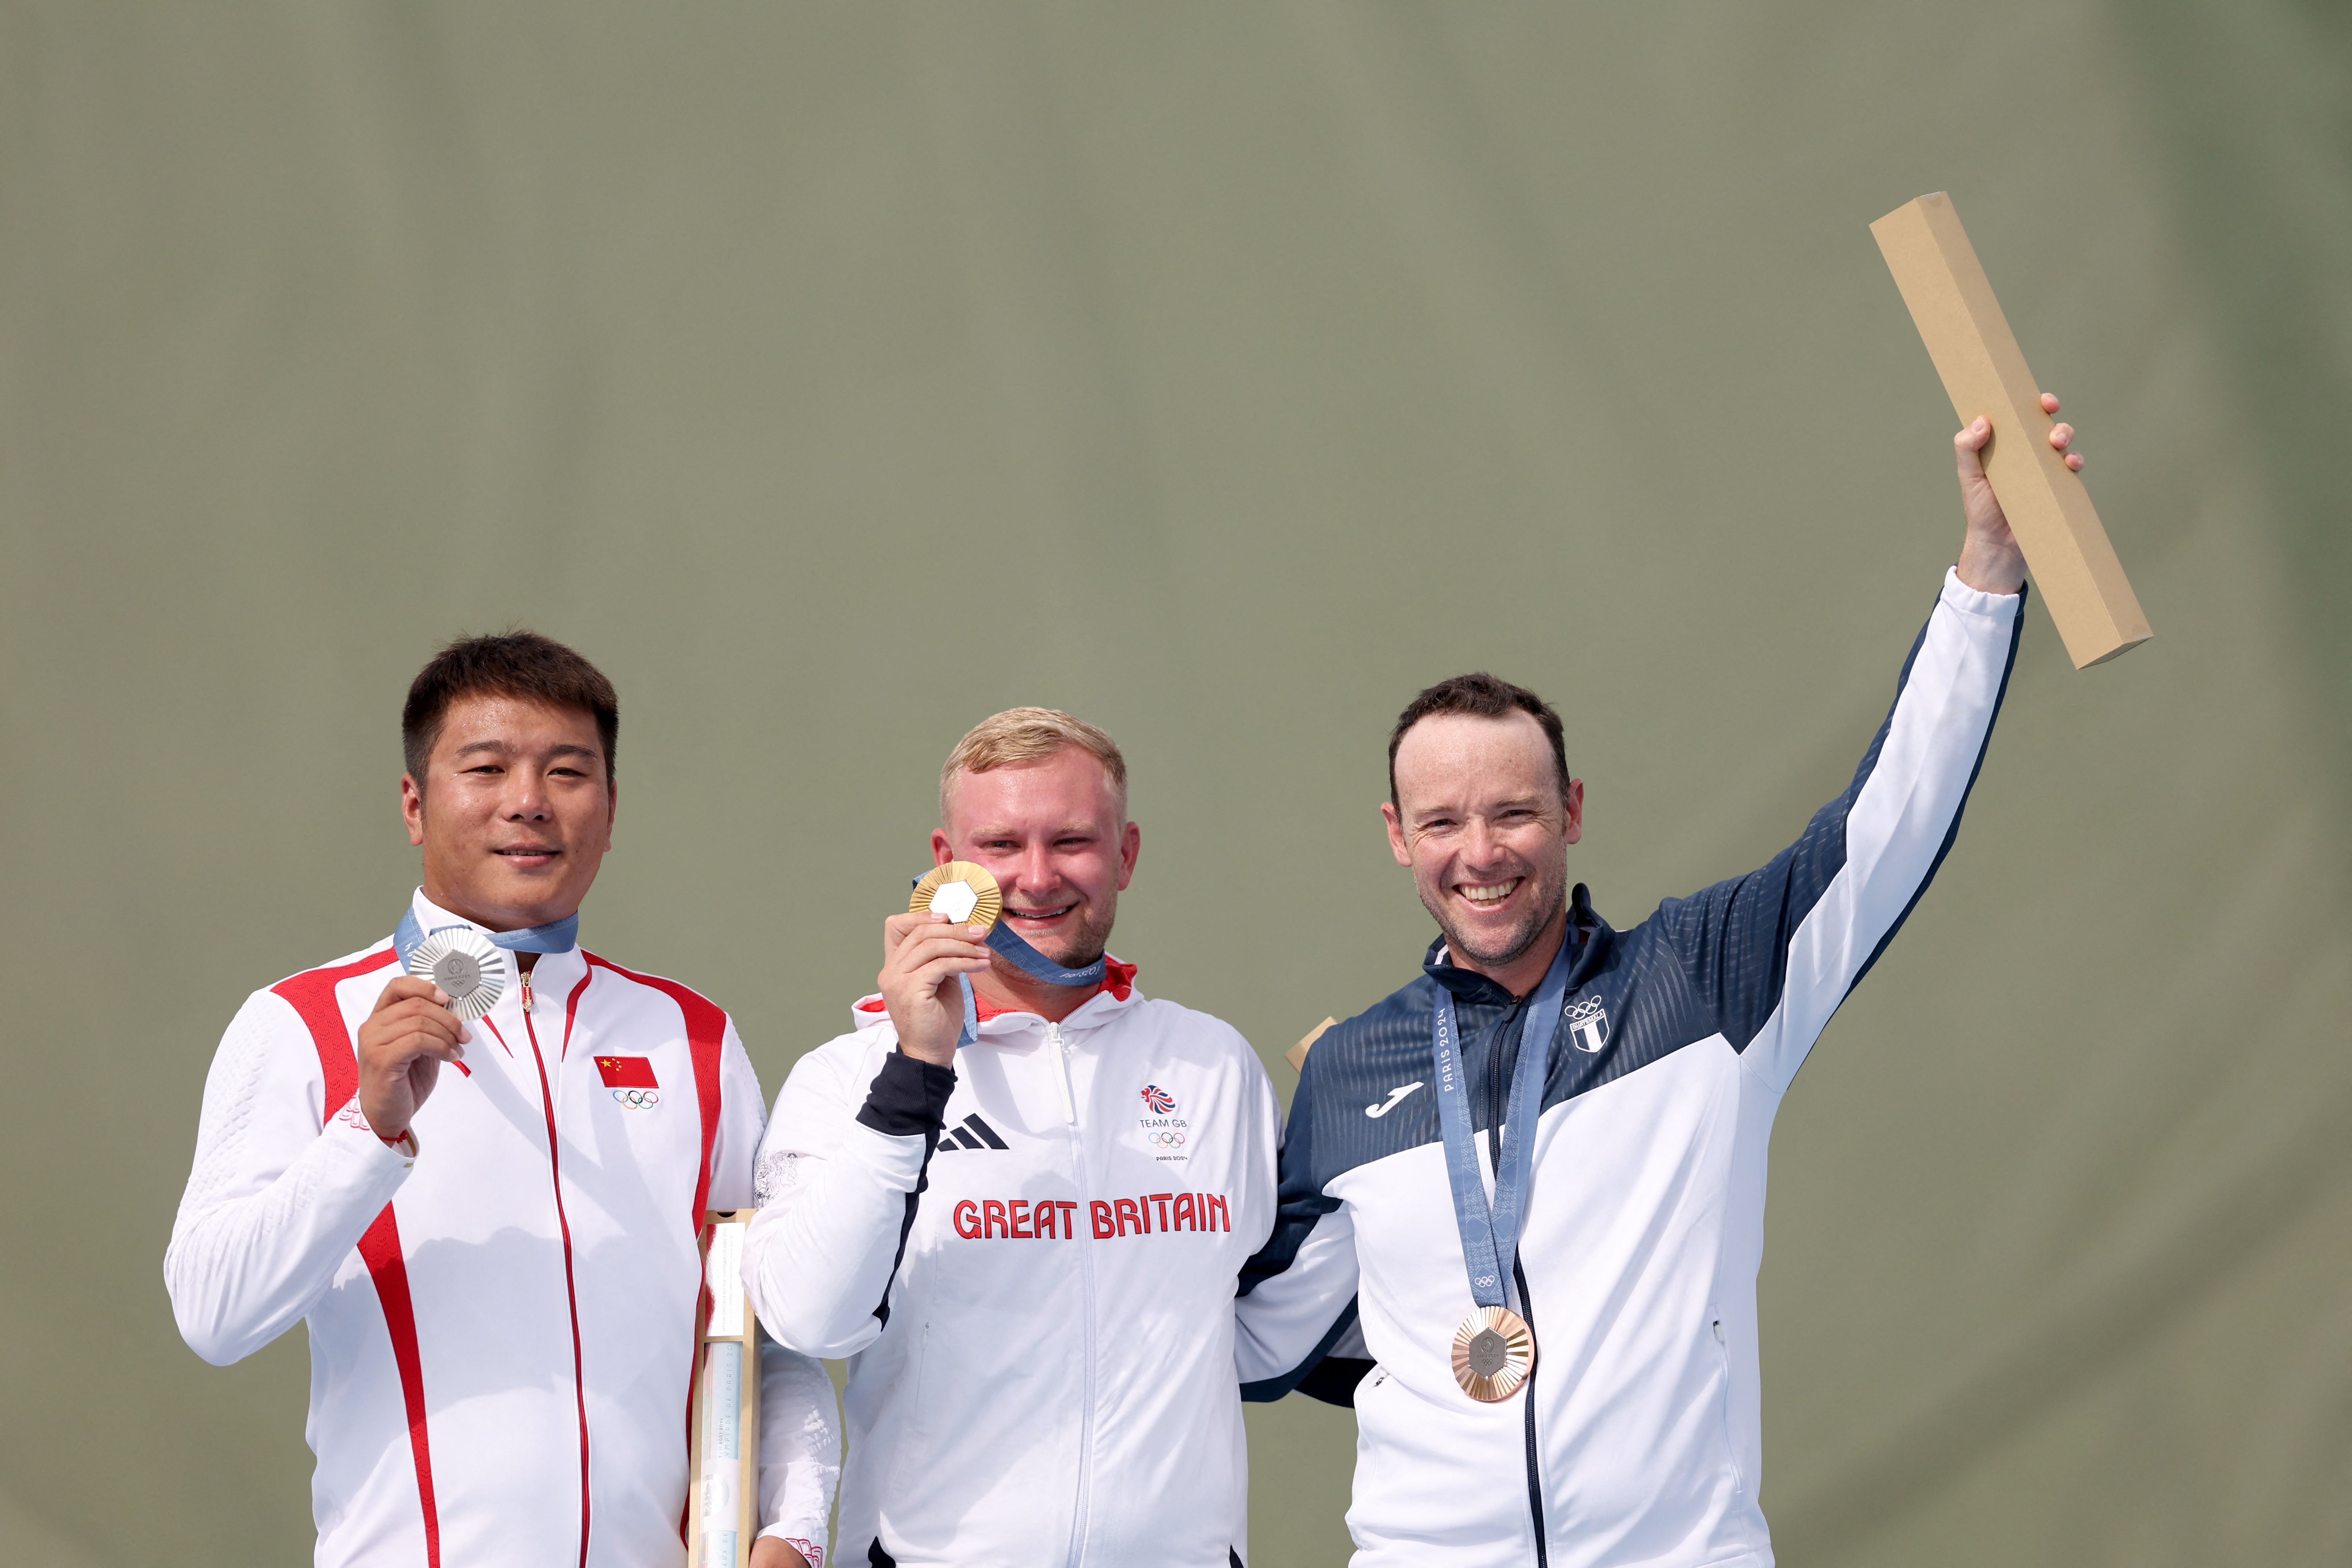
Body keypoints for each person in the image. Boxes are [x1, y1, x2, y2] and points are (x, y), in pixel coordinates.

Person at [1234, 403, 2086, 1566]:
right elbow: (1256, 1335)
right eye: (1442, 822)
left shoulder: (1702, 981)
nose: (1480, 853)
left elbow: (1889, 823)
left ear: (1572, 811)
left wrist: (1987, 575)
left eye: (1515, 812)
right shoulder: (1348, 1072)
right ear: (1397, 834)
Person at [164, 632, 838, 1568]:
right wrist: (369, 1130)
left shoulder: (693, 1037)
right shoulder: (302, 1022)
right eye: (486, 767)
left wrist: (797, 1526)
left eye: (568, 770)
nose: (529, 801)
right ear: (415, 803)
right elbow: (213, 1313)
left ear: (611, 807)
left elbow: (767, 1327)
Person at [740, 708, 1281, 1566]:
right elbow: (811, 1320)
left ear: (1126, 854)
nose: (1036, 876)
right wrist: (918, 1066)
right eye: (1000, 844)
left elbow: (1257, 1321)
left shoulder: (1214, 1065)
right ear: (946, 862)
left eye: (1072, 841)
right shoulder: (846, 1076)